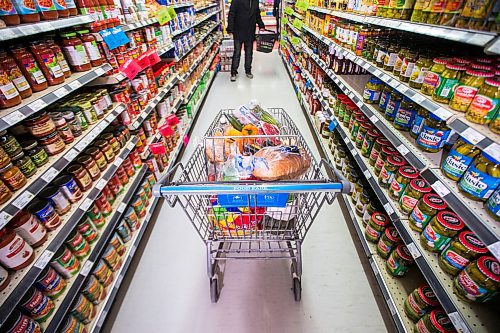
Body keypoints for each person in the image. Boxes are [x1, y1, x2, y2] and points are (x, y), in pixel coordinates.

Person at [227, 0, 265, 81]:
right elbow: (232, 13)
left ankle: (248, 70)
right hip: (238, 29)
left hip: (250, 30)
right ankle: (233, 72)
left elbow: (257, 13)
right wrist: (230, 29)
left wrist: (261, 24)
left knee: (249, 52)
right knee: (237, 52)